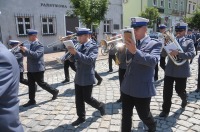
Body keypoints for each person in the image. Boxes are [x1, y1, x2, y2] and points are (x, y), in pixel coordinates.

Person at [121, 17, 162, 132]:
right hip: (127, 86)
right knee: (126, 116)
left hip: (142, 88)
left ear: (145, 29)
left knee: (143, 114)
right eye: (132, 29)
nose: (134, 31)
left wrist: (135, 51)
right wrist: (121, 50)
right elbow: (123, 61)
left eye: (137, 29)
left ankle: (152, 125)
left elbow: (153, 61)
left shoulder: (155, 44)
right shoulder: (132, 42)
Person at [68, 28, 105, 126]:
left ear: (86, 36)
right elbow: (74, 60)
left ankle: (100, 105)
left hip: (87, 76)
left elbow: (90, 60)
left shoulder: (93, 47)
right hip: (79, 76)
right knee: (78, 99)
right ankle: (81, 117)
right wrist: (71, 56)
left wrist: (76, 53)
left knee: (87, 98)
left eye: (80, 36)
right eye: (78, 36)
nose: (78, 38)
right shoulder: (79, 46)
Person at [159, 22, 195, 117]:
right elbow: (163, 55)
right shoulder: (170, 40)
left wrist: (178, 53)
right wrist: (164, 47)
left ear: (185, 31)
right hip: (170, 70)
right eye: (177, 30)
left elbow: (192, 54)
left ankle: (184, 98)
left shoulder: (189, 41)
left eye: (180, 30)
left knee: (179, 90)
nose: (178, 32)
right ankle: (165, 110)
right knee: (167, 92)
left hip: (182, 71)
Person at [20, 29, 59, 107]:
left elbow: (36, 55)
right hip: (31, 68)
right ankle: (31, 100)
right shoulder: (31, 44)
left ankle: (54, 91)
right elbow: (27, 55)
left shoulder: (39, 45)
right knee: (31, 85)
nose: (28, 37)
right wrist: (21, 50)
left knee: (41, 83)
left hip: (38, 69)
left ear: (34, 36)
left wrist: (26, 50)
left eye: (29, 36)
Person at [0, 42, 24, 132]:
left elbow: (36, 55)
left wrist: (27, 51)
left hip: (36, 68)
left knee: (36, 82)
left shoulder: (3, 57)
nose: (12, 47)